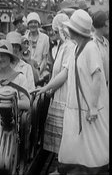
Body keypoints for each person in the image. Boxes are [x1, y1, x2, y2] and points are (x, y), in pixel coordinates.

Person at [31, 9, 109, 175]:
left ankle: (87, 171)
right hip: (74, 104)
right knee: (73, 141)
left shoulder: (90, 48)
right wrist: (45, 88)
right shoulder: (76, 48)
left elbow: (97, 76)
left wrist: (94, 106)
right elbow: (65, 73)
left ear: (74, 31)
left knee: (91, 145)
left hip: (88, 105)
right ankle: (67, 170)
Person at [42, 13, 76, 174]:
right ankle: (60, 168)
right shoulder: (62, 46)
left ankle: (62, 169)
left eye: (55, 31)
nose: (53, 34)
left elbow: (64, 74)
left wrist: (49, 88)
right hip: (58, 94)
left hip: (63, 94)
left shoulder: (69, 46)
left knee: (63, 135)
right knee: (59, 136)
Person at [24, 12, 50, 80]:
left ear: (38, 24)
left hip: (41, 73)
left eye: (35, 22)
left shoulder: (45, 38)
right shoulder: (24, 38)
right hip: (26, 73)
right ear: (28, 24)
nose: (33, 24)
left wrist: (38, 72)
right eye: (31, 22)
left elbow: (45, 58)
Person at [92, 10, 109, 88]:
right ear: (103, 24)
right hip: (98, 87)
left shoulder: (105, 42)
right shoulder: (92, 43)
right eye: (107, 23)